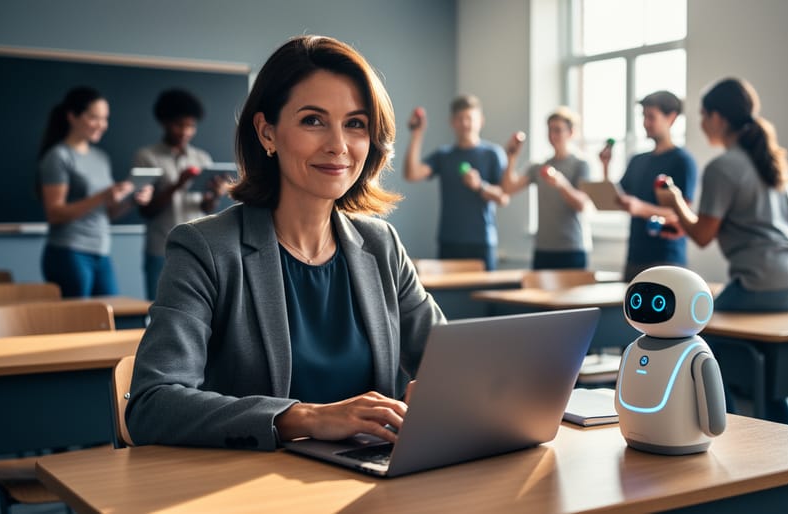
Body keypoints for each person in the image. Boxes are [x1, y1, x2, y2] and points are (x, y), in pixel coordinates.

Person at [126, 35, 446, 450]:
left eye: (355, 124)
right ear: (267, 133)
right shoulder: (204, 249)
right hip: (254, 481)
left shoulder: (380, 244)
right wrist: (304, 417)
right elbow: (152, 403)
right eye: (313, 120)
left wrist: (445, 387)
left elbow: (450, 363)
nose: (338, 145)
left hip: (371, 474)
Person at [661, 77, 788, 424]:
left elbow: (703, 235)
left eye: (703, 115)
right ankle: (778, 430)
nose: (701, 123)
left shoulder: (723, 167)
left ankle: (727, 423)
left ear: (718, 118)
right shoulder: (770, 161)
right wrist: (688, 222)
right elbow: (777, 225)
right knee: (772, 369)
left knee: (694, 334)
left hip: (763, 281)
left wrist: (675, 202)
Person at [37, 86, 151, 298]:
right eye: (94, 118)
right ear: (72, 116)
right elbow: (54, 213)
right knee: (78, 316)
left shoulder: (101, 158)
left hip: (101, 250)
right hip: (69, 251)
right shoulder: (58, 156)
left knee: (113, 311)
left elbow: (107, 213)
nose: (102, 125)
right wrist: (102, 196)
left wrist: (131, 201)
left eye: (105, 119)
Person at [134, 88, 227, 300]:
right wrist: (178, 184)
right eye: (179, 125)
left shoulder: (202, 158)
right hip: (161, 249)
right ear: (164, 122)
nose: (185, 131)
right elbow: (147, 210)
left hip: (198, 249)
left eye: (191, 126)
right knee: (159, 307)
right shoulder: (147, 156)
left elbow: (206, 208)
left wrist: (214, 195)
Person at [599, 91, 698, 282]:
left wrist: (640, 208)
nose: (645, 123)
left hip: (667, 258)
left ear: (671, 118)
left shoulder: (682, 161)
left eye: (651, 117)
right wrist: (605, 166)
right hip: (635, 257)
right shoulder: (637, 160)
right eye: (643, 116)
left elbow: (681, 215)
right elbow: (618, 199)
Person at [403, 95, 510, 270]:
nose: (465, 123)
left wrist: (480, 186)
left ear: (481, 121)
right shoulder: (444, 155)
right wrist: (417, 134)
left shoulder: (493, 154)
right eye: (460, 119)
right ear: (452, 122)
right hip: (449, 241)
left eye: (470, 118)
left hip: (481, 242)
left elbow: (503, 197)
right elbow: (411, 174)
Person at [500, 107, 593, 269]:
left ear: (571, 132)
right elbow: (508, 189)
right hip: (543, 249)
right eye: (550, 130)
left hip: (572, 248)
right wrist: (511, 157)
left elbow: (582, 205)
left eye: (558, 130)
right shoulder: (538, 166)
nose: (552, 135)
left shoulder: (581, 165)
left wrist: (562, 184)